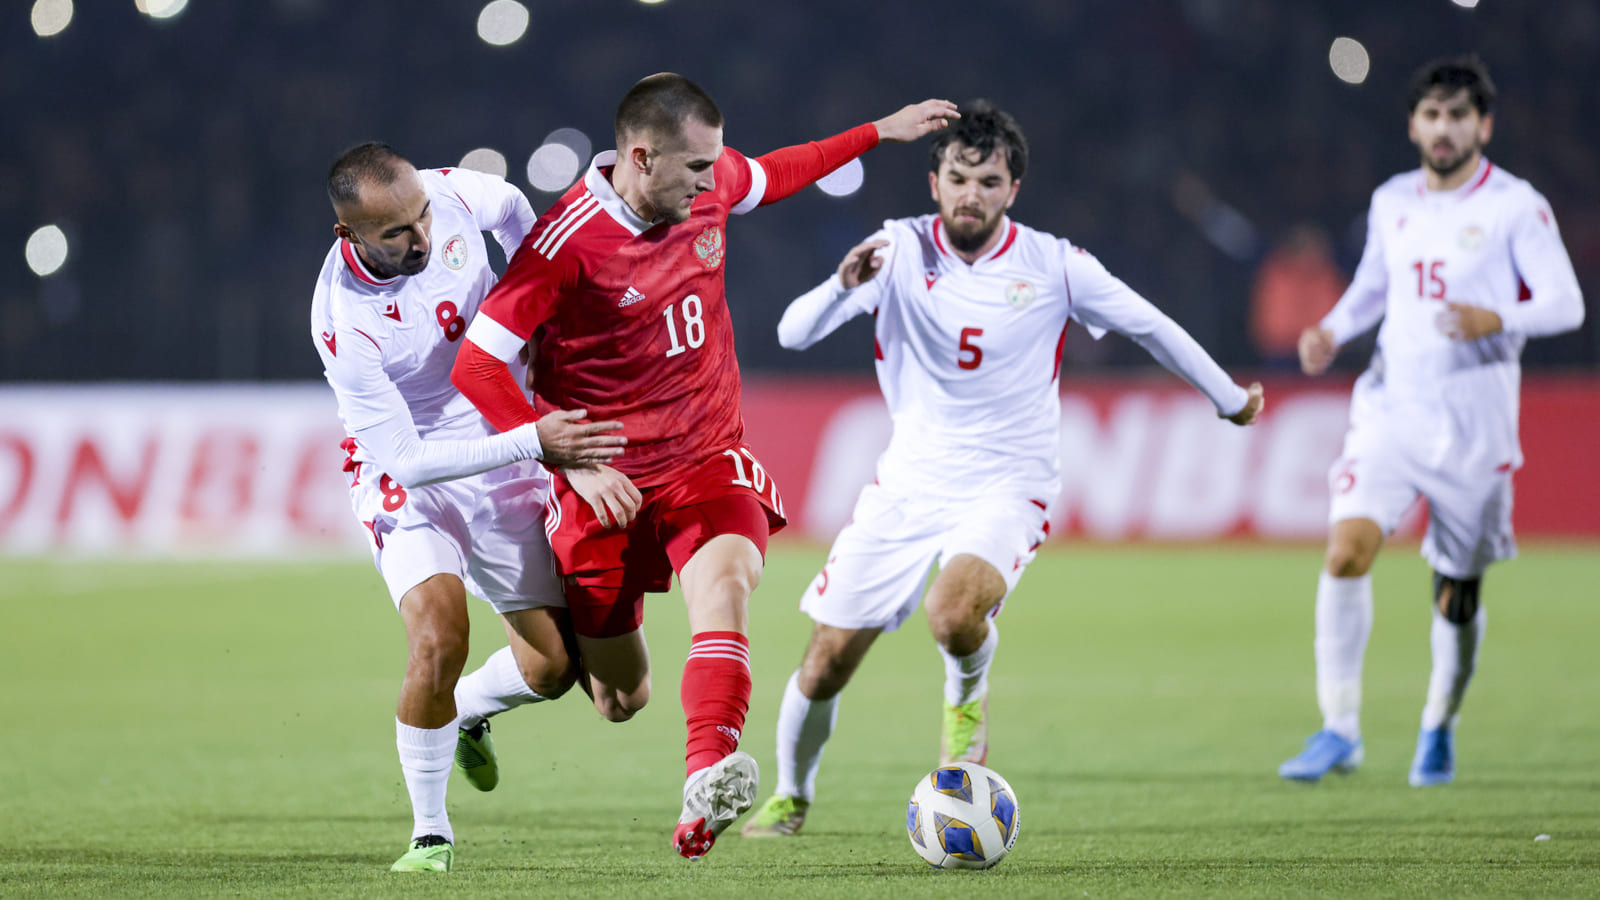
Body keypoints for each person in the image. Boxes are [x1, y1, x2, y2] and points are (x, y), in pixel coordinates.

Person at [450, 73, 959, 859]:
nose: (710, 179)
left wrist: (876, 130)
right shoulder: (563, 245)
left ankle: (703, 785)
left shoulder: (710, 182)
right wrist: (565, 459)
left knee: (726, 588)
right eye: (694, 166)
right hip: (605, 484)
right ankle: (465, 707)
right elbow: (477, 365)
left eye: (713, 163)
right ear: (641, 158)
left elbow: (779, 170)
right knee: (619, 697)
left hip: (704, 455)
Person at [737, 101, 1265, 838]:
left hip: (1009, 482)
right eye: (958, 179)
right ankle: (792, 797)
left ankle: (966, 701)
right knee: (825, 661)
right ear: (934, 183)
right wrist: (841, 285)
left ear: (1013, 190)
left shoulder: (1054, 264)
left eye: (988, 182)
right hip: (908, 483)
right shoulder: (896, 249)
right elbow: (794, 335)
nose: (971, 195)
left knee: (953, 612)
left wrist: (1229, 399)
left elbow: (1150, 325)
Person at [311, 142, 628, 872]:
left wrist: (539, 309)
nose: (422, 238)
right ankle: (430, 835)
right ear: (348, 233)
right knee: (439, 640)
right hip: (414, 469)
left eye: (422, 217)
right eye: (396, 232)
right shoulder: (343, 319)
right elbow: (406, 459)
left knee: (552, 669)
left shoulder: (446, 194)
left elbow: (513, 206)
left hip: (500, 435)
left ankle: (467, 714)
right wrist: (533, 441)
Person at [1278, 55, 1584, 786]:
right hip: (1391, 408)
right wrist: (1331, 330)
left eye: (1458, 116)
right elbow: (1373, 287)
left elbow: (1566, 304)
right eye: (1432, 115)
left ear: (1483, 126)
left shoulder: (1515, 206)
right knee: (1346, 551)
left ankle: (1438, 722)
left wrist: (1496, 316)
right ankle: (1339, 729)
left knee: (1457, 594)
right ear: (1413, 125)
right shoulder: (1393, 201)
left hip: (1474, 426)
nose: (1444, 129)